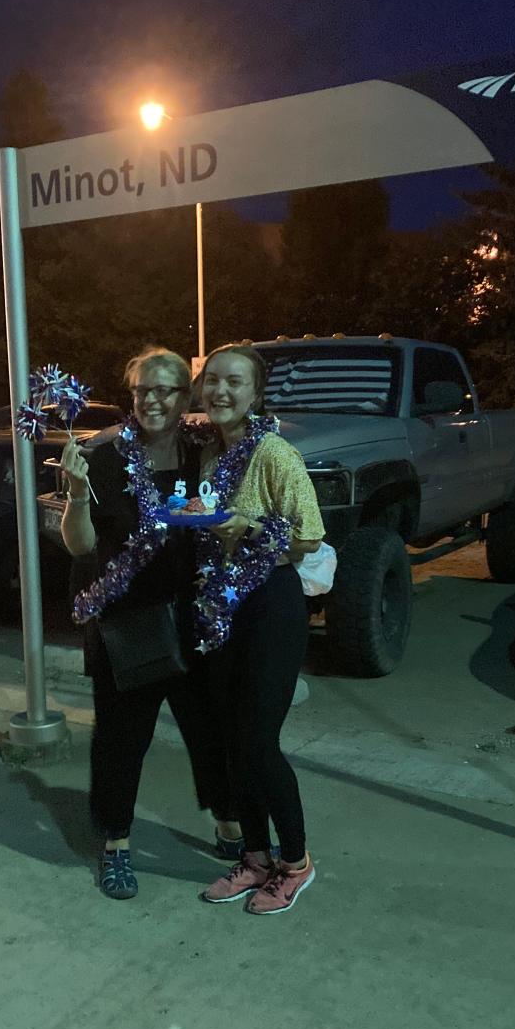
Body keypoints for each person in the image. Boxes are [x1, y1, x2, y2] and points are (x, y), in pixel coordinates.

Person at [60, 346, 241, 900]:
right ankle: (115, 842)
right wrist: (75, 495)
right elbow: (81, 546)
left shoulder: (202, 451)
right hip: (129, 622)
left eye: (164, 389)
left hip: (193, 615)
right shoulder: (106, 457)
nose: (152, 400)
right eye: (142, 390)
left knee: (211, 730)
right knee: (121, 740)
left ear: (185, 396)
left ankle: (229, 823)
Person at [195, 342, 325, 914]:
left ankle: (295, 863)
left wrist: (248, 538)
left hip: (270, 602)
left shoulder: (273, 453)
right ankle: (254, 858)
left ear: (254, 393)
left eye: (235, 382)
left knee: (258, 740)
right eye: (213, 380)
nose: (221, 390)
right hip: (224, 604)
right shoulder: (207, 454)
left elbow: (310, 535)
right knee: (229, 739)